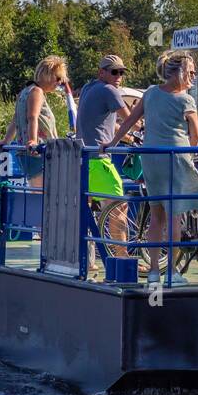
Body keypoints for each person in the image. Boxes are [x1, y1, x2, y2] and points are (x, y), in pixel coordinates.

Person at [103, 51, 198, 281]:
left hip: (150, 158)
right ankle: (173, 272)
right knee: (174, 216)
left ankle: (155, 271)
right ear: (181, 73)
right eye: (191, 72)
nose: (193, 77)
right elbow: (196, 134)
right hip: (175, 158)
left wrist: (111, 144)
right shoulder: (186, 99)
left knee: (156, 216)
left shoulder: (150, 93)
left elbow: (128, 121)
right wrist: (191, 152)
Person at [77, 55, 133, 254]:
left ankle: (87, 260)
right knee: (118, 206)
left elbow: (100, 123)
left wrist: (125, 137)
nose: (118, 76)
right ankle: (122, 258)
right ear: (101, 72)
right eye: (114, 71)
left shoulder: (88, 88)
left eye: (121, 72)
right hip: (99, 161)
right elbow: (131, 119)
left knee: (87, 210)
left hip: (82, 158)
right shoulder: (110, 90)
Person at [0, 55, 69, 188]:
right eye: (58, 78)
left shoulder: (24, 91)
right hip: (39, 153)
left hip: (25, 154)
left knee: (39, 194)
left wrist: (6, 140)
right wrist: (33, 141)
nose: (59, 83)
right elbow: (32, 117)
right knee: (45, 196)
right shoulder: (37, 92)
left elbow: (16, 119)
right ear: (48, 75)